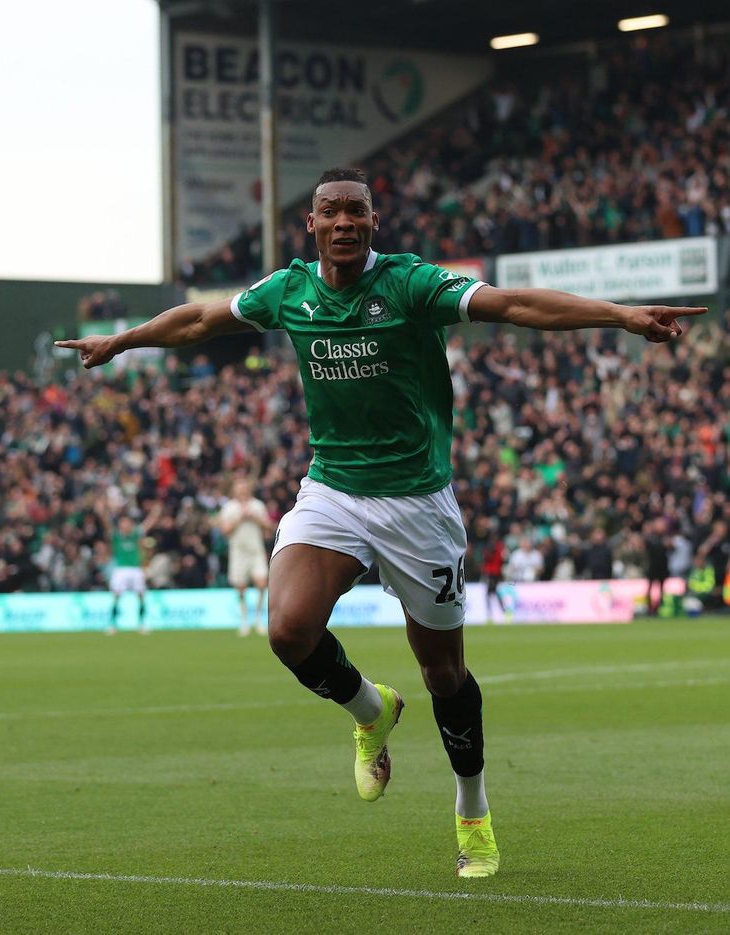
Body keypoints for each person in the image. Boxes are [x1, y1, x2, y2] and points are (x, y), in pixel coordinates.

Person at [56, 167, 705, 878]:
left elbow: (516, 304)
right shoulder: (289, 291)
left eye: (355, 212)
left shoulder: (410, 284)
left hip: (418, 503)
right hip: (333, 488)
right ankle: (371, 710)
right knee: (287, 629)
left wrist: (620, 315)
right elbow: (202, 318)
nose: (343, 222)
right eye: (330, 211)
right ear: (310, 224)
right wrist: (121, 343)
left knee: (445, 672)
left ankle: (473, 810)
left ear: (373, 221)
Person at [218, 476, 274, 635]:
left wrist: (254, 517)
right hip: (238, 552)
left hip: (256, 550)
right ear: (234, 490)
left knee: (262, 583)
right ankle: (244, 620)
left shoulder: (257, 505)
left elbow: (268, 527)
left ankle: (258, 619)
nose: (242, 490)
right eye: (239, 487)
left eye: (244, 487)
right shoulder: (229, 508)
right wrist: (240, 518)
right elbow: (225, 531)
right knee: (240, 587)